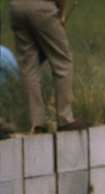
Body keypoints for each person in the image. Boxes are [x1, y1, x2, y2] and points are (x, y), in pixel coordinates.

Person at [9, 0, 83, 133]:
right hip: (41, 7)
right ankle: (65, 119)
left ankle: (37, 123)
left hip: (16, 7)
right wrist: (60, 15)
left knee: (29, 67)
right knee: (62, 60)